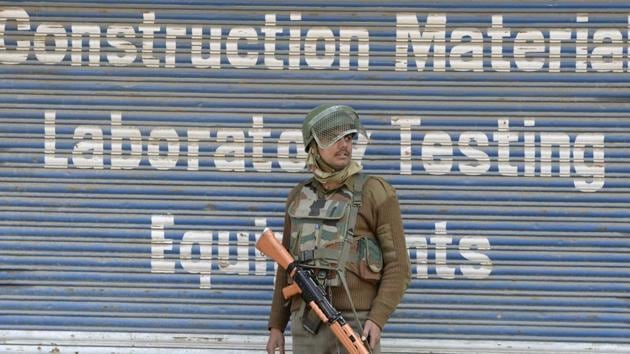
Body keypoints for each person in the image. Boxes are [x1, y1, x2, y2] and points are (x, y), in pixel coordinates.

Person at [265, 104, 411, 354]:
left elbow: (399, 266)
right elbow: (285, 265)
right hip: (307, 326)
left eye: (348, 137)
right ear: (313, 145)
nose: (344, 145)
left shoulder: (375, 192)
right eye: (333, 138)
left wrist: (377, 319)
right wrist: (277, 325)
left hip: (356, 322)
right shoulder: (299, 197)